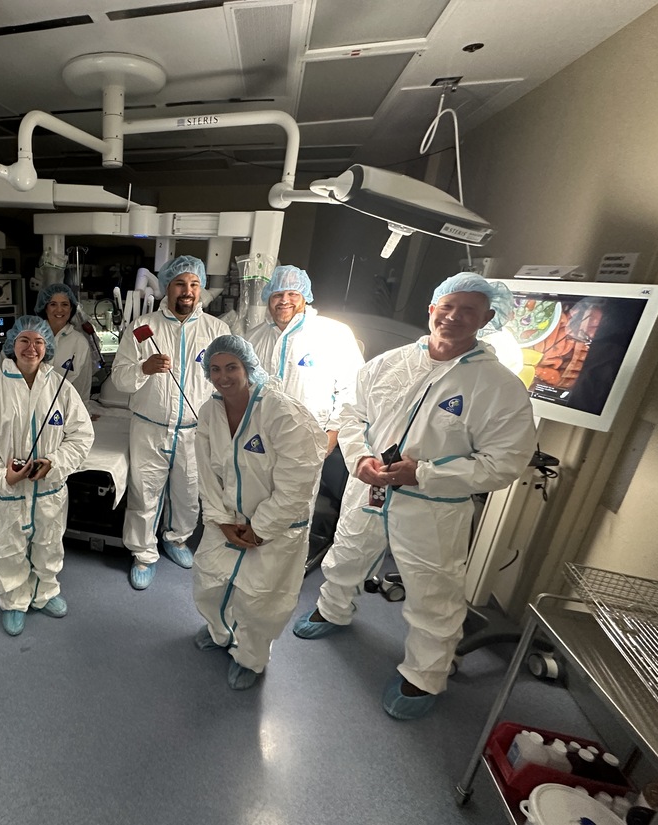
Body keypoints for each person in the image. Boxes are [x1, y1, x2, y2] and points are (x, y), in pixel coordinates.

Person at [291, 272, 537, 719]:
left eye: (469, 311)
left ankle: (425, 676)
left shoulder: (498, 387)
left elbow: (505, 461)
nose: (455, 317)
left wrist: (423, 475)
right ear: (432, 309)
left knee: (433, 595)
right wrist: (360, 458)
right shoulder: (389, 364)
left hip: (433, 509)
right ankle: (332, 610)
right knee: (347, 554)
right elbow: (351, 413)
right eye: (449, 306)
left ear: (487, 318)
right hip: (368, 490)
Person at [192, 336, 326, 690]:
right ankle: (220, 632)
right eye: (216, 369)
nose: (223, 377)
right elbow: (206, 472)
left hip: (277, 527)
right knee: (210, 580)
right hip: (227, 520)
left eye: (231, 367)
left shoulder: (282, 413)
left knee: (259, 598)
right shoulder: (210, 412)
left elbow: (299, 481)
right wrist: (221, 520)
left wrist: (262, 527)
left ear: (248, 368)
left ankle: (251, 658)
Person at [0, 315, 94, 636]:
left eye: (38, 341)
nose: (31, 347)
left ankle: (46, 591)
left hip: (49, 490)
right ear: (11, 346)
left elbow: (80, 436)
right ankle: (14, 600)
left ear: (47, 347)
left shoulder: (62, 390)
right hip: (8, 493)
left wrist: (55, 463)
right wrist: (1, 475)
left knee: (49, 543)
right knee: (7, 547)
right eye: (23, 340)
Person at [111, 255, 230, 589]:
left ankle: (176, 539)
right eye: (180, 283)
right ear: (167, 287)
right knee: (144, 492)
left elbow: (229, 381)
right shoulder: (142, 327)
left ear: (201, 288)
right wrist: (143, 369)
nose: (187, 291)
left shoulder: (216, 331)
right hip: (149, 427)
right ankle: (143, 554)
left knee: (189, 493)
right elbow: (120, 378)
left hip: (195, 431)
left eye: (194, 284)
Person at [246, 264, 363, 456]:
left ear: (304, 296)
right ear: (268, 298)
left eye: (293, 293)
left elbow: (353, 388)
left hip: (308, 442)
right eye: (277, 294)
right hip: (258, 442)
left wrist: (331, 437)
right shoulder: (252, 339)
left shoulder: (333, 334)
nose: (284, 300)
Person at [35, 282, 98, 402]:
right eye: (53, 304)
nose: (59, 310)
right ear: (45, 307)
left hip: (65, 410)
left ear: (71, 308)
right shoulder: (30, 337)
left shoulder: (79, 342)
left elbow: (83, 384)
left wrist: (84, 412)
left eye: (65, 304)